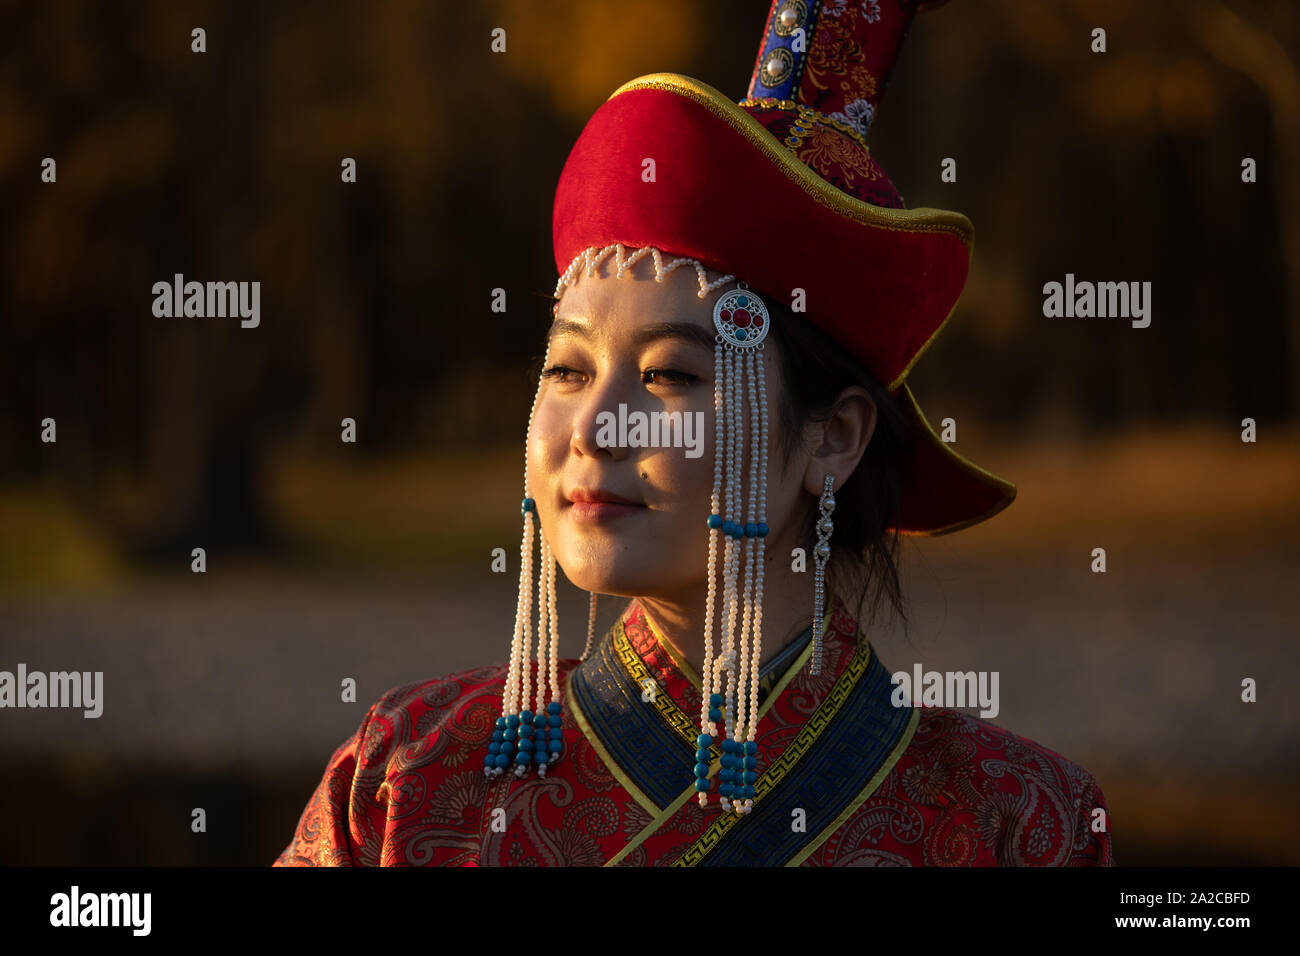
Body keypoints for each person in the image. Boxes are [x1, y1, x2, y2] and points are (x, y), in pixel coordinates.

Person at [273, 0, 1113, 867]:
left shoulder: (1014, 818)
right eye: (567, 369)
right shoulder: (403, 777)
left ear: (833, 439)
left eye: (670, 373)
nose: (596, 427)